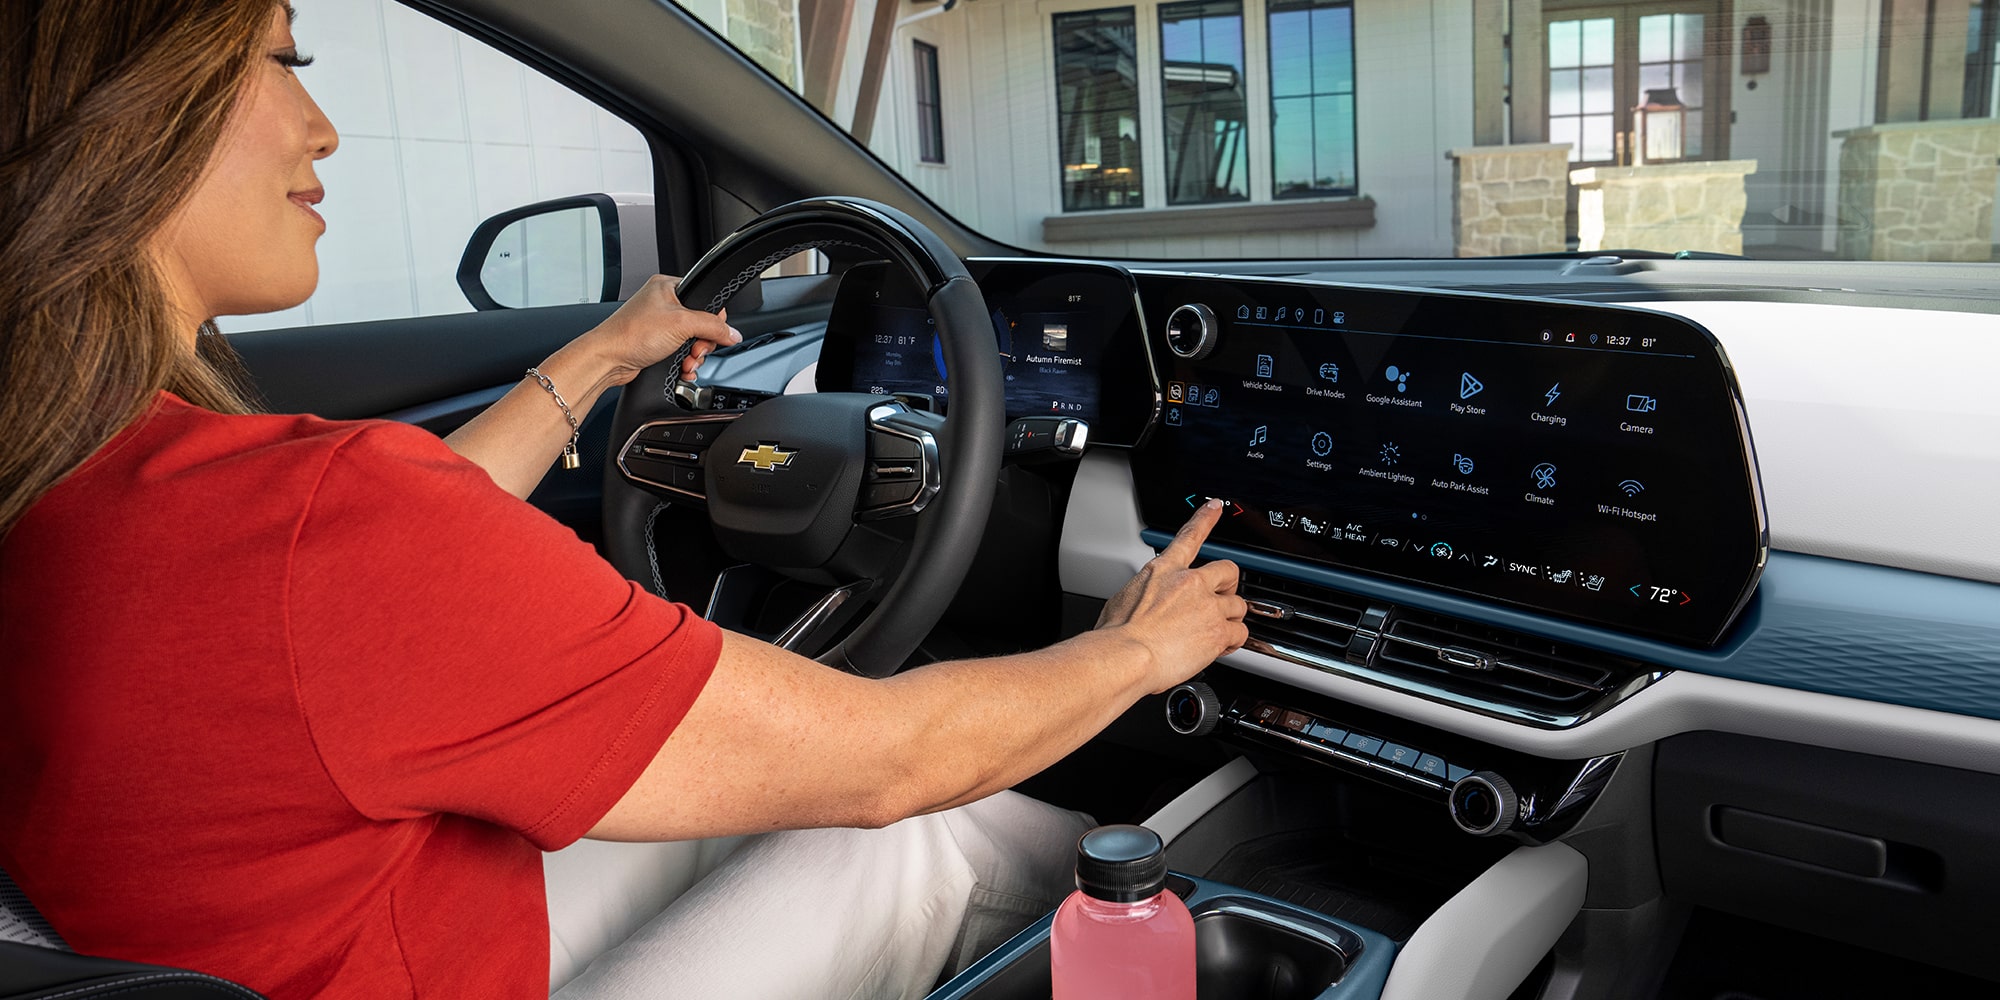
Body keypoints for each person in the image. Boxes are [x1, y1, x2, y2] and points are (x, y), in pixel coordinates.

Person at [0, 2, 1248, 999]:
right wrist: (1134, 651)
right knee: (905, 836)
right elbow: (890, 762)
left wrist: (605, 356)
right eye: (283, 59)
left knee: (729, 811)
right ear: (127, 115)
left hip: (321, 941)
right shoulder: (319, 527)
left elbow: (385, 567)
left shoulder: (85, 480)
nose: (322, 128)